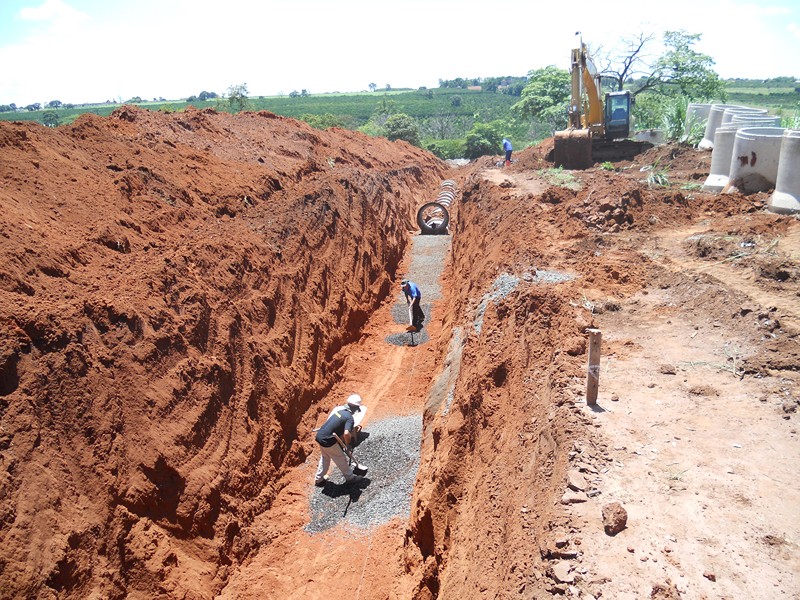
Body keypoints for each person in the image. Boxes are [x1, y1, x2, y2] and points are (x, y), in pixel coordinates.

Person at [314, 394, 365, 486]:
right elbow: (346, 433)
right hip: (328, 440)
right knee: (341, 459)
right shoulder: (349, 418)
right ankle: (350, 478)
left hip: (320, 436)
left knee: (325, 457)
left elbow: (336, 427)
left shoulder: (340, 412)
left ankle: (319, 479)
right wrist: (348, 445)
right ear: (356, 408)